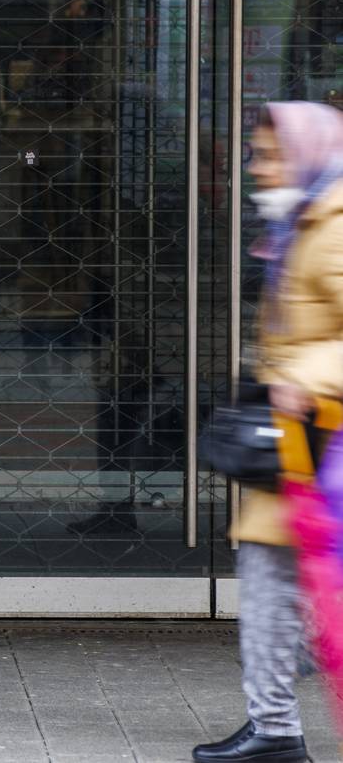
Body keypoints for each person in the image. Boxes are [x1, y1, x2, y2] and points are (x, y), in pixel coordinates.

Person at [192, 101, 343, 763]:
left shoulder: (333, 225)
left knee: (271, 581)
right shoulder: (303, 220)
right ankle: (275, 725)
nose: (261, 167)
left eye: (274, 154)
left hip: (321, 441)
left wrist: (305, 374)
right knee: (273, 580)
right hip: (302, 445)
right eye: (259, 154)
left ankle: (276, 729)